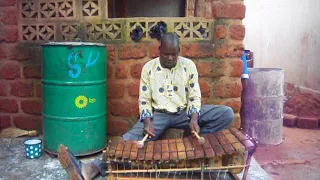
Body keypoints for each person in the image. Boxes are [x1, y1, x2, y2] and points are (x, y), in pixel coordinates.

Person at [57, 32, 234, 180]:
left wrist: (194, 117)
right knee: (129, 140)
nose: (170, 58)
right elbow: (144, 99)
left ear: (179, 51)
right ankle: (91, 169)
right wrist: (148, 123)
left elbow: (195, 95)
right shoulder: (148, 68)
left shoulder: (189, 66)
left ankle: (192, 148)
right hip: (158, 115)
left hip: (184, 113)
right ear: (159, 51)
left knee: (226, 114)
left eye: (174, 54)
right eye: (166, 54)